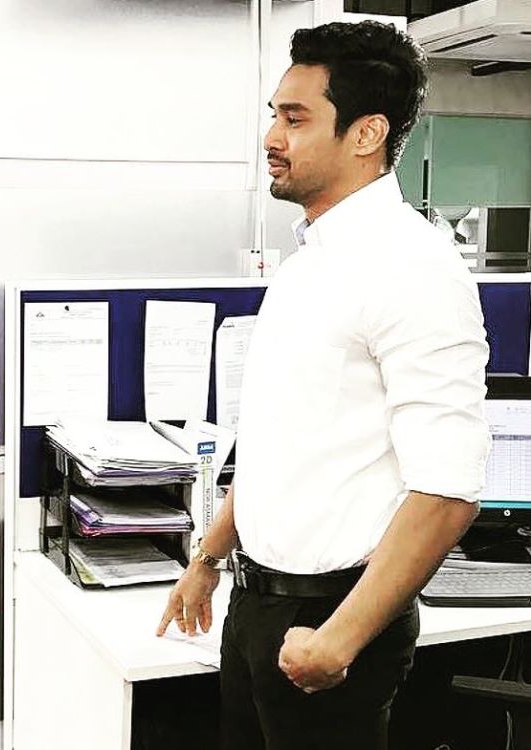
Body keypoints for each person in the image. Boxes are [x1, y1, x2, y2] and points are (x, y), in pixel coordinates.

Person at [157, 21, 490, 750]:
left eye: (295, 118)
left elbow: (448, 489)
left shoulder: (414, 268)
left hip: (334, 615)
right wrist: (208, 560)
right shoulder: (308, 262)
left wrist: (339, 638)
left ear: (366, 134)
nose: (271, 137)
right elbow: (279, 446)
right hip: (256, 603)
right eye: (275, 115)